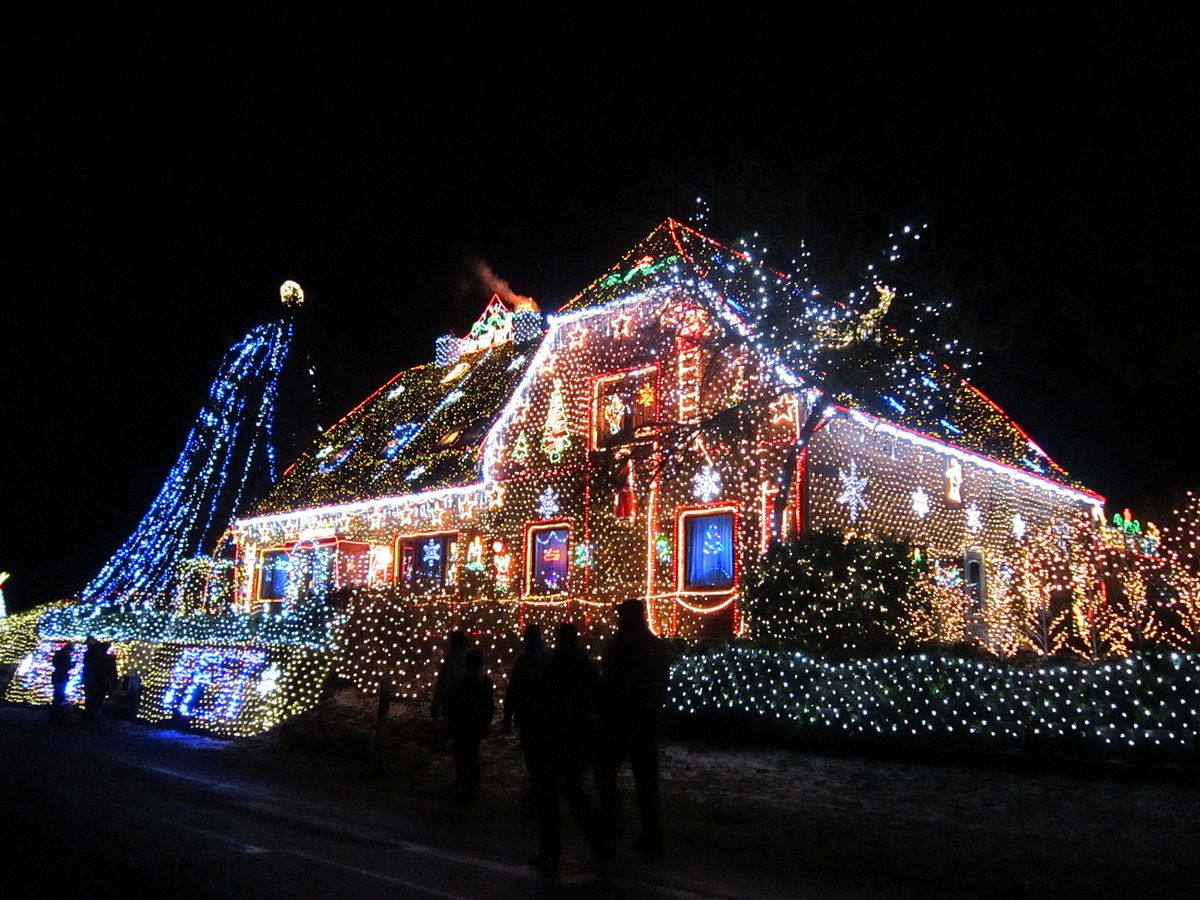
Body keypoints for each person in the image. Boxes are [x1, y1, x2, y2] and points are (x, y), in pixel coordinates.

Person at [597, 600, 672, 858]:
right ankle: (651, 832)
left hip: (625, 722)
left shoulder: (623, 647)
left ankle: (612, 824)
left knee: (606, 771)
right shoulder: (656, 647)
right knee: (646, 780)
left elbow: (612, 686)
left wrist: (609, 717)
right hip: (646, 721)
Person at [529, 623, 599, 873]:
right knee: (574, 791)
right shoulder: (585, 665)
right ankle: (597, 840)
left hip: (556, 737)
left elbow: (544, 700)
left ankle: (550, 849)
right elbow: (598, 697)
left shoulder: (555, 665)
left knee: (551, 795)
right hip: (577, 736)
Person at [502, 624, 550, 804]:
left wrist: (508, 715)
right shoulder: (548, 658)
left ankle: (538, 788)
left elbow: (514, 689)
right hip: (544, 714)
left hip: (529, 714)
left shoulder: (524, 661)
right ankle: (543, 788)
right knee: (542, 754)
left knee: (532, 754)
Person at [447, 647, 494, 802]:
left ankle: (469, 786)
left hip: (466, 723)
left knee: (466, 754)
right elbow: (488, 706)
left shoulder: (467, 681)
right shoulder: (482, 681)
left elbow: (457, 702)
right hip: (471, 723)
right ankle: (468, 783)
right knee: (468, 754)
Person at [431, 630, 471, 722]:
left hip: (453, 704)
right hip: (469, 704)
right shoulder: (472, 657)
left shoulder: (451, 661)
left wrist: (436, 706)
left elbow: (443, 685)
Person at [82, 636, 111, 719]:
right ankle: (92, 714)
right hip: (96, 679)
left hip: (93, 679)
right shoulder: (98, 654)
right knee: (95, 697)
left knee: (92, 697)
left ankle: (91, 713)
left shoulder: (91, 654)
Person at [49, 642, 74, 722]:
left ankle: (54, 714)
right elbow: (65, 666)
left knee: (57, 695)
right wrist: (71, 665)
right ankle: (56, 715)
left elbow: (55, 664)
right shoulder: (65, 655)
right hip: (61, 677)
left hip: (58, 676)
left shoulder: (59, 654)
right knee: (59, 695)